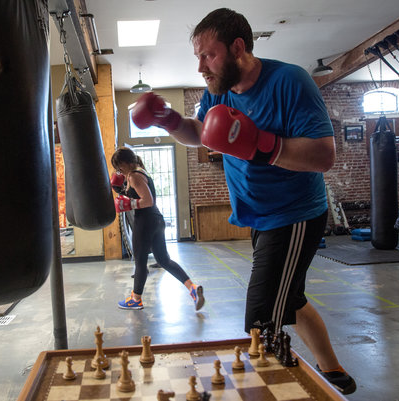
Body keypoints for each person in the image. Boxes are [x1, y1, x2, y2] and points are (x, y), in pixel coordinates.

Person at [130, 8, 355, 395]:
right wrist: (169, 120)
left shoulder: (290, 81)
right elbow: (201, 133)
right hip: (258, 215)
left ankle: (268, 391)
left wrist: (261, 146)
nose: (201, 66)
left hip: (295, 214)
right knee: (291, 298)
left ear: (238, 47)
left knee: (260, 319)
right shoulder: (218, 89)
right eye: (197, 57)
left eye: (208, 54)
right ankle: (335, 374)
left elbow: (324, 156)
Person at [110, 147, 204, 311]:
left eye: (119, 166)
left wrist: (129, 204)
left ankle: (136, 299)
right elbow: (137, 194)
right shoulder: (140, 172)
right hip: (155, 220)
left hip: (145, 221)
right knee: (163, 260)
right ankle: (192, 288)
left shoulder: (134, 176)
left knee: (140, 261)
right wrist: (119, 190)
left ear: (126, 162)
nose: (119, 170)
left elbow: (148, 201)